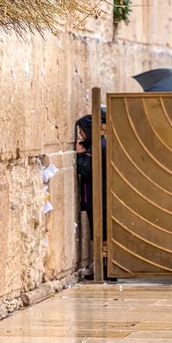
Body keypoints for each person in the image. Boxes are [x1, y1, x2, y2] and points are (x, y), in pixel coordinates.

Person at [75, 111, 107, 279]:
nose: (80, 133)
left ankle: (105, 271)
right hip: (98, 197)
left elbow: (87, 172)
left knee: (101, 233)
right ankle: (104, 269)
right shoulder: (99, 144)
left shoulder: (96, 147)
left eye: (81, 130)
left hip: (97, 198)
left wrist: (80, 156)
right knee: (101, 233)